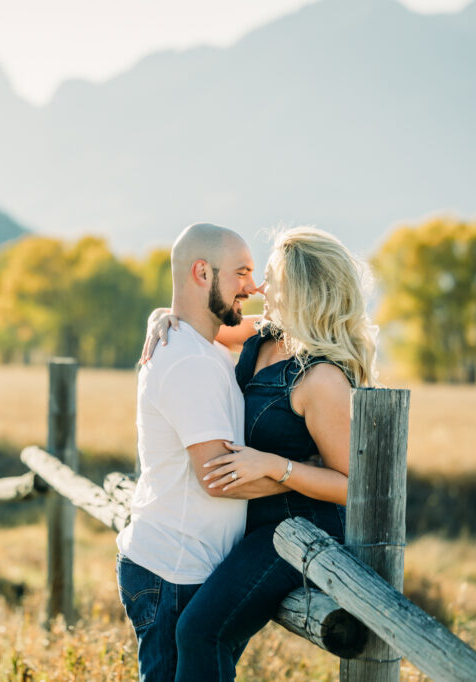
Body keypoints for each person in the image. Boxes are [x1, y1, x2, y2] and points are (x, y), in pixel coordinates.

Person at [141, 226, 378, 681]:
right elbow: (202, 322)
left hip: (295, 530)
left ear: (304, 291)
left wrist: (278, 467)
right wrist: (160, 317)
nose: (256, 289)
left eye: (269, 279)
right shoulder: (267, 335)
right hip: (251, 521)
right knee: (191, 631)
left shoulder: (323, 379)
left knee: (200, 631)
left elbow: (356, 487)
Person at [116, 222, 288, 681]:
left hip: (184, 566)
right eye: (241, 273)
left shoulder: (201, 344)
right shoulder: (189, 359)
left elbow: (280, 326)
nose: (251, 288)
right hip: (173, 573)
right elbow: (219, 478)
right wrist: (303, 476)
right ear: (201, 273)